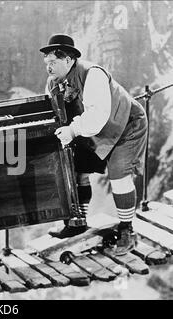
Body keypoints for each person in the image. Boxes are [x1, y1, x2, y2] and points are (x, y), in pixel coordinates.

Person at [40, 34, 148, 255]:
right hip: (94, 129)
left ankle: (127, 230)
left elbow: (97, 117)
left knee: (119, 176)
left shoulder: (92, 74)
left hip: (127, 125)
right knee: (76, 170)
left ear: (69, 60)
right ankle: (77, 225)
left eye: (53, 62)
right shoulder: (53, 83)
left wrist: (72, 130)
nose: (48, 67)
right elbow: (52, 112)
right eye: (47, 63)